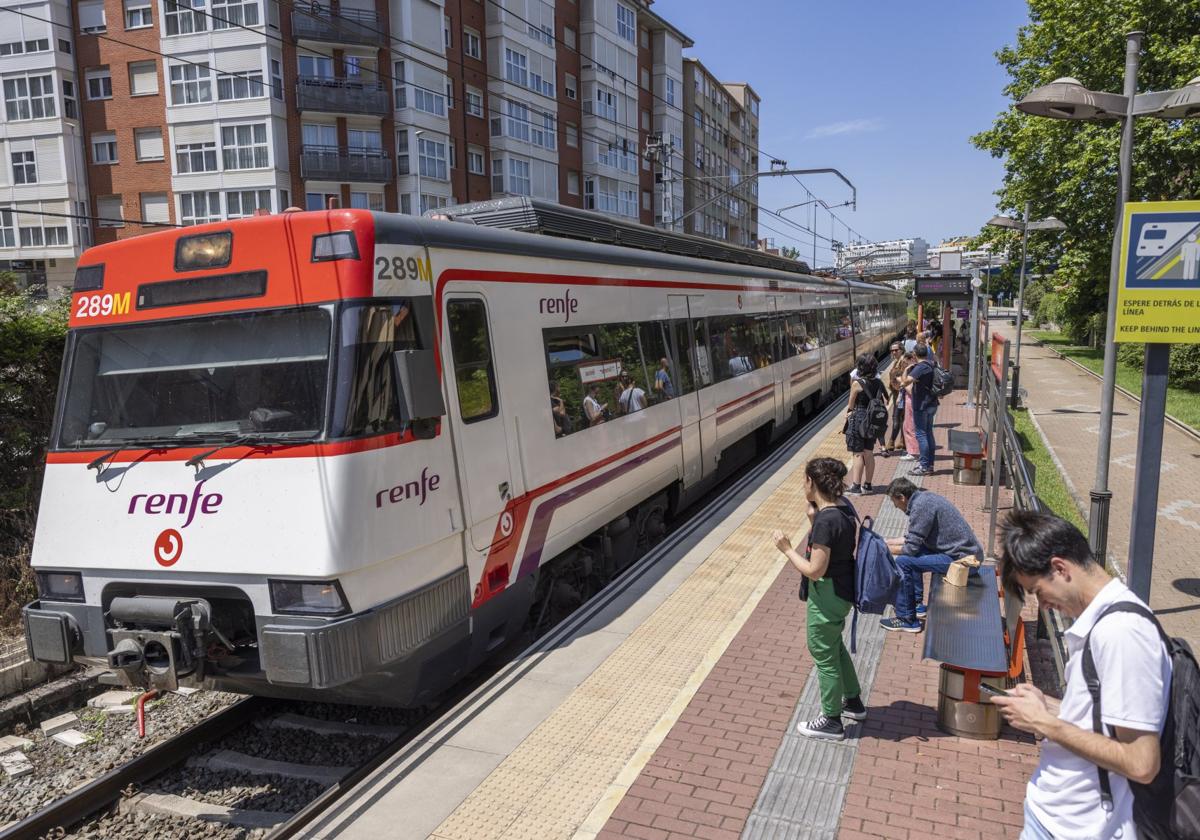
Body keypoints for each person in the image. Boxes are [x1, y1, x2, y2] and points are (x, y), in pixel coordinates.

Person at [992, 510, 1171, 840]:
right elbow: (1102, 720)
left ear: (1060, 568)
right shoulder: (1102, 621)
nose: (1043, 606)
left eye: (1038, 591)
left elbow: (1142, 762)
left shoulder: (1123, 633)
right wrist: (1047, 706)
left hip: (1077, 829)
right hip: (1057, 816)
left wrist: (1045, 724)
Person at [772, 458, 867, 741]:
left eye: (804, 480)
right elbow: (837, 543)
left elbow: (815, 570)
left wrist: (786, 549)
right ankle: (853, 701)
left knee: (823, 656)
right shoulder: (844, 508)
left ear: (812, 483)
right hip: (842, 590)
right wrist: (813, 522)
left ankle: (831, 721)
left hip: (827, 594)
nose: (803, 485)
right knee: (835, 648)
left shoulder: (827, 521)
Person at [878, 478, 984, 632]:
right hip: (960, 553)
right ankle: (915, 605)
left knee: (903, 562)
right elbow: (912, 539)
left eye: (894, 502)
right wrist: (885, 542)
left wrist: (882, 550)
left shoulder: (921, 507)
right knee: (912, 556)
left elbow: (910, 549)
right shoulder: (924, 499)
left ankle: (907, 619)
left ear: (902, 497)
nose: (895, 506)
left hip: (964, 562)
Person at [844, 353, 885, 495]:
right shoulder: (879, 382)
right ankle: (868, 485)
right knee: (869, 452)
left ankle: (856, 486)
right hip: (873, 421)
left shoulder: (857, 383)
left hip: (859, 418)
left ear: (860, 367)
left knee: (857, 453)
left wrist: (848, 415)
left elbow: (851, 404)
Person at [902, 344, 938, 475]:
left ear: (915, 355)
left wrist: (906, 370)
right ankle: (930, 465)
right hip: (932, 404)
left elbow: (905, 382)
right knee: (929, 434)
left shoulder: (920, 367)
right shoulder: (932, 364)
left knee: (921, 435)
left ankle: (923, 466)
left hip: (922, 405)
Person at [885, 344, 906, 454]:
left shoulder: (903, 362)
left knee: (896, 417)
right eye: (892, 350)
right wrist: (889, 394)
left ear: (901, 350)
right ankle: (903, 441)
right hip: (896, 393)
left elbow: (903, 380)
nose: (893, 352)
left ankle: (891, 442)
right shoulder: (897, 362)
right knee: (901, 417)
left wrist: (900, 396)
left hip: (901, 394)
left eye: (896, 350)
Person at [900, 352, 920, 461]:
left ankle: (913, 452)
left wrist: (904, 374)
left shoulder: (912, 371)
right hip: (911, 403)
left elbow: (910, 389)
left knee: (910, 427)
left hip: (911, 403)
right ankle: (912, 450)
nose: (903, 364)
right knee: (908, 426)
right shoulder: (915, 369)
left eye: (904, 362)